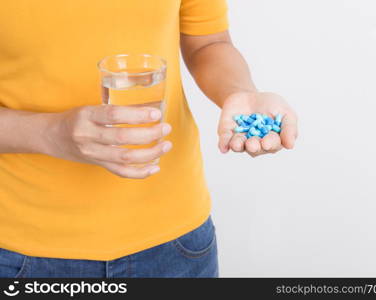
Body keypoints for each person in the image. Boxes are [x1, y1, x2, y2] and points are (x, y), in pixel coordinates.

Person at [0, 0, 298, 278]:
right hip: (20, 253)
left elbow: (208, 42)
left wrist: (240, 92)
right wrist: (51, 134)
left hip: (177, 244)